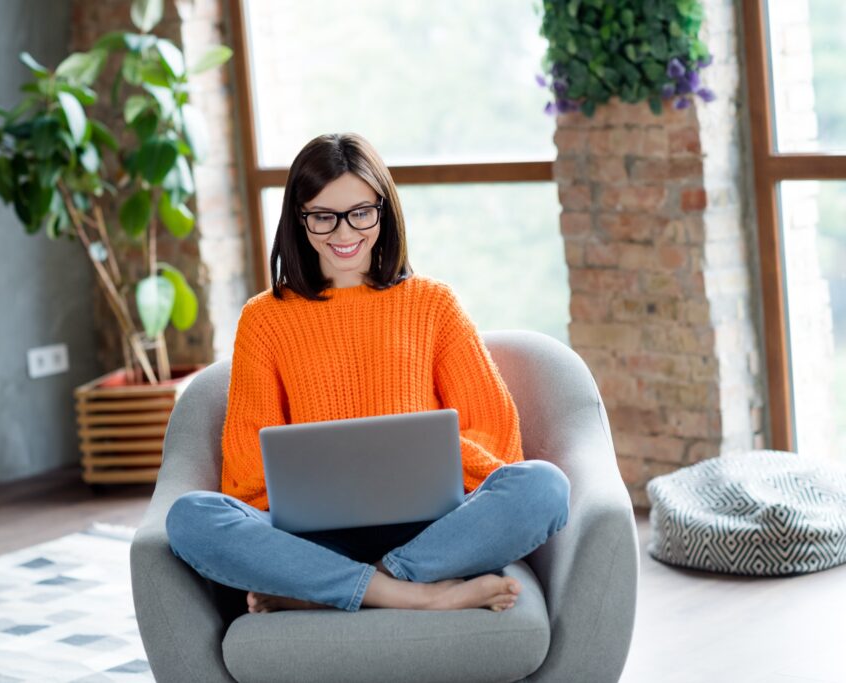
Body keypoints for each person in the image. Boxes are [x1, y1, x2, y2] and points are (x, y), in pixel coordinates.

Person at [166, 132, 570, 615]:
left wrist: (417, 448)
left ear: (384, 209)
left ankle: (345, 588)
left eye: (360, 213)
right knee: (190, 517)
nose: (344, 233)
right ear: (299, 219)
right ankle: (411, 594)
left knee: (543, 486)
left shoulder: (432, 304)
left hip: (430, 527)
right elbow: (245, 476)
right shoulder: (264, 318)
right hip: (313, 538)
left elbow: (497, 441)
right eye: (323, 217)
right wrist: (317, 470)